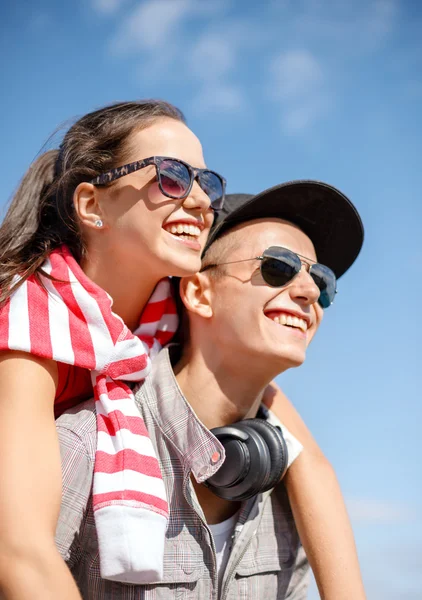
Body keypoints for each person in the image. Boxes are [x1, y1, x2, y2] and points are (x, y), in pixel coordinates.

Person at [55, 180, 366, 599]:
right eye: (279, 267)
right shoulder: (81, 447)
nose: (309, 292)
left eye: (323, 282)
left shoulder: (291, 497)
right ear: (199, 293)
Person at [0, 100, 226, 599]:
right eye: (171, 176)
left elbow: (304, 457)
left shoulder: (178, 311)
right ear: (91, 205)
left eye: (207, 183)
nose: (200, 201)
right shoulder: (30, 317)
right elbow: (19, 551)